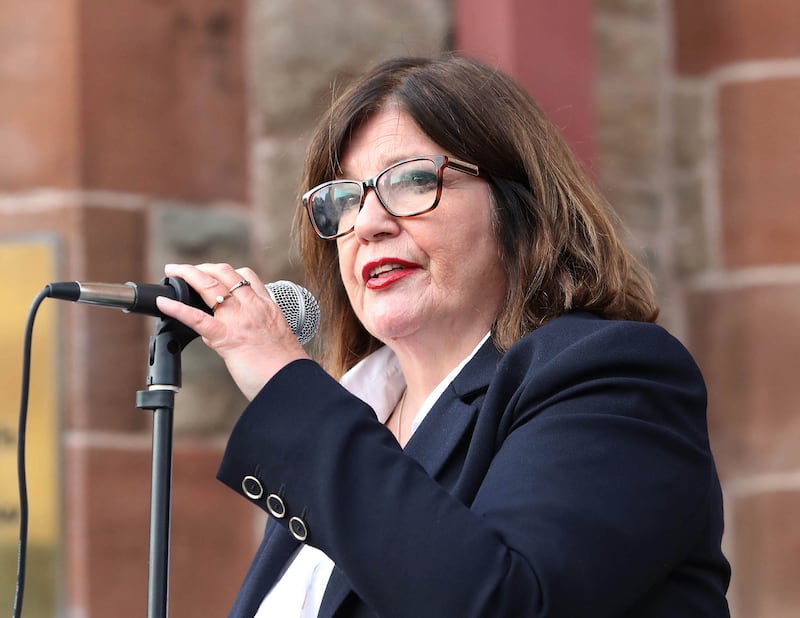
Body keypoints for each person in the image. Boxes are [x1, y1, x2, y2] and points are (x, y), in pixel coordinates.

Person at [156, 53, 731, 617]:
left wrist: (286, 382)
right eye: (345, 199)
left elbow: (503, 604)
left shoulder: (612, 374)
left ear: (521, 207)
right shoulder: (353, 413)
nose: (369, 224)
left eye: (410, 182)